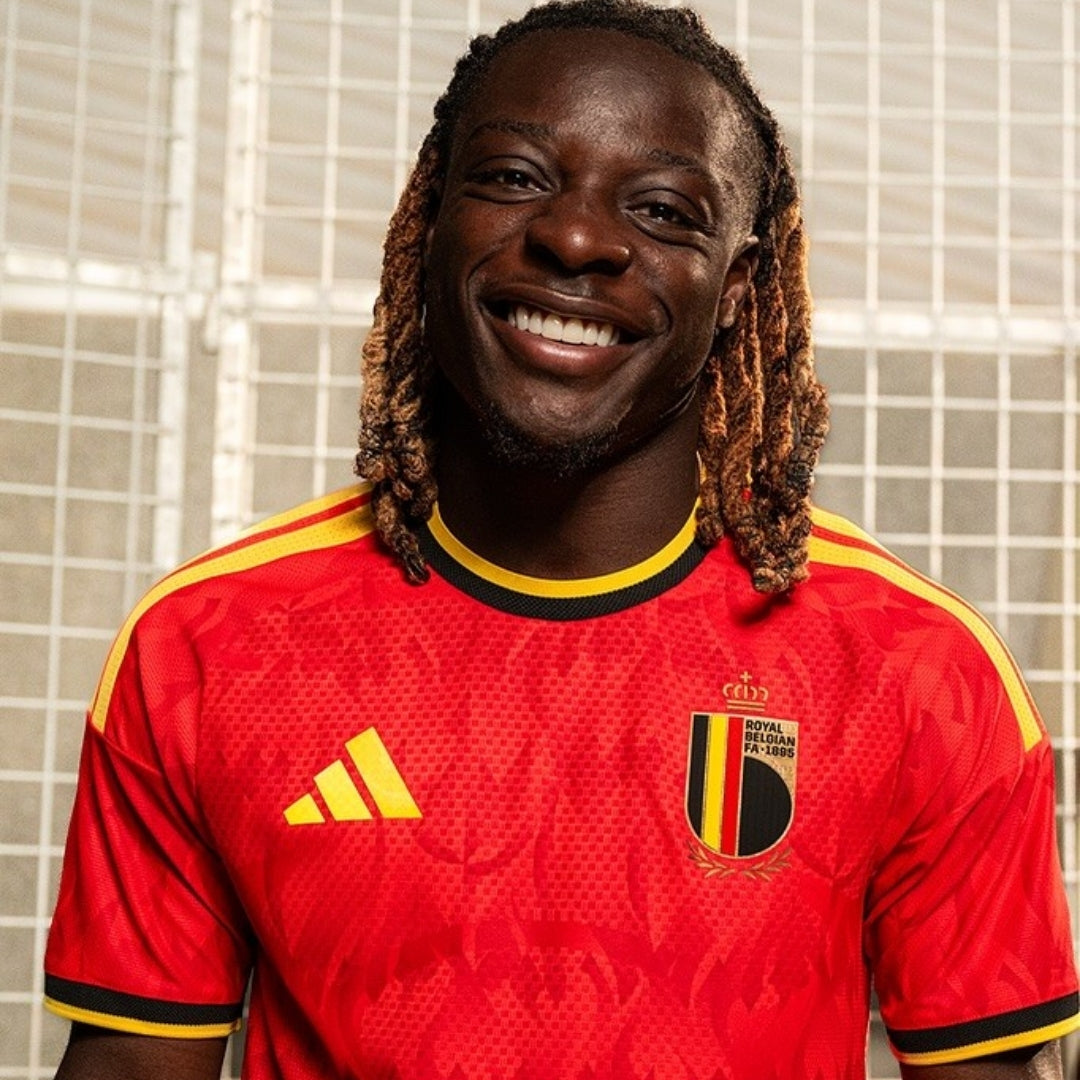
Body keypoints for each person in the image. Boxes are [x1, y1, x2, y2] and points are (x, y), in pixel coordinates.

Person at [43, 1, 1078, 1077]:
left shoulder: (920, 675)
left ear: (734, 288)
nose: (577, 237)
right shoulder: (206, 647)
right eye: (516, 177)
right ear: (429, 216)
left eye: (666, 209)